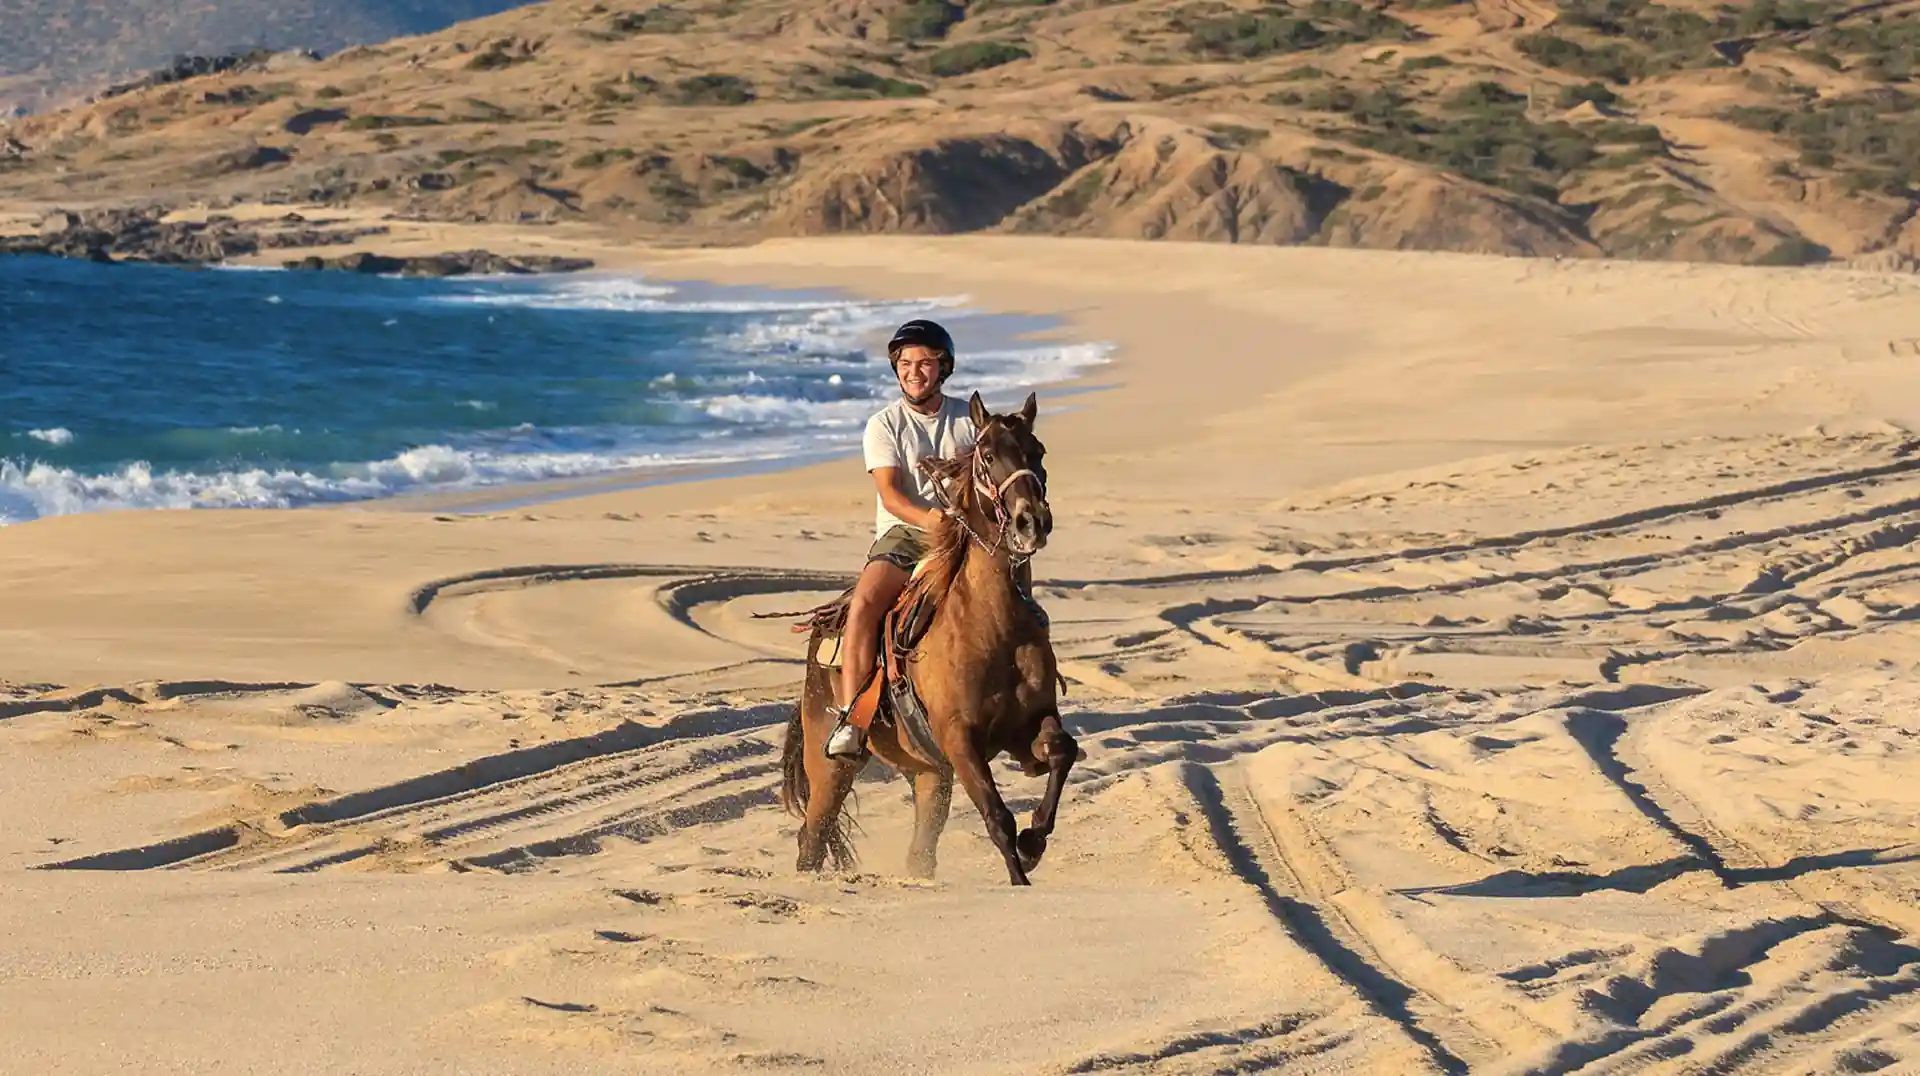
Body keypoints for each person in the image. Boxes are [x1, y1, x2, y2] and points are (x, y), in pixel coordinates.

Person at [824, 318, 978, 761]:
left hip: (964, 534)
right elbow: (891, 496)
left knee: (1014, 598)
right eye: (906, 363)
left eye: (925, 363)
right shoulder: (884, 424)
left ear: (943, 368)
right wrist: (936, 521)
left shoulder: (968, 421)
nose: (914, 371)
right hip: (905, 535)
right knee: (865, 605)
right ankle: (850, 721)